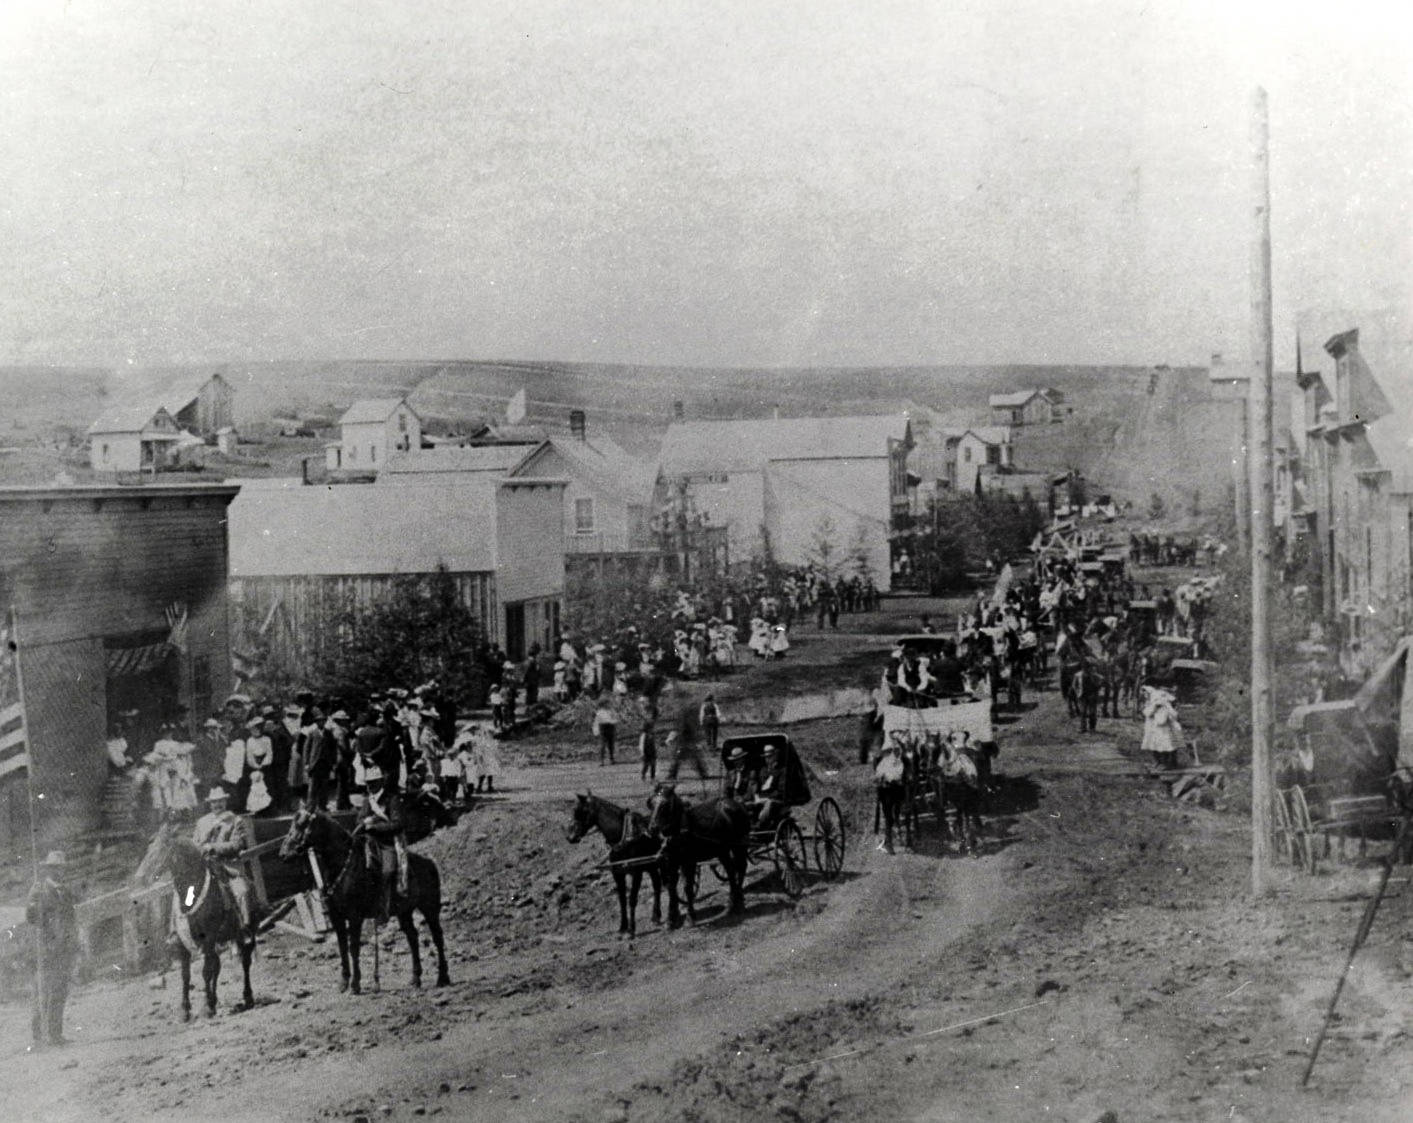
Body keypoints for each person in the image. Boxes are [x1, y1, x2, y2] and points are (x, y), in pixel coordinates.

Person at [26, 850, 77, 1048]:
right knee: (43, 991)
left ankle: (56, 1034)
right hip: (45, 950)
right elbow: (31, 918)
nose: (60, 872)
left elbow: (70, 919)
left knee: (60, 991)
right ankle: (39, 1035)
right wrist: (34, 906)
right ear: (49, 870)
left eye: (62, 868)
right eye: (56, 868)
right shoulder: (39, 890)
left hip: (63, 948)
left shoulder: (64, 891)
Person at [192, 786, 256, 932]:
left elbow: (237, 844)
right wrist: (200, 849)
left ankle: (244, 927)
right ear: (210, 804)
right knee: (186, 892)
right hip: (205, 867)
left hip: (228, 867)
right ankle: (179, 930)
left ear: (225, 802)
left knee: (242, 891)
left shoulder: (235, 821)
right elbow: (195, 843)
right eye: (214, 802)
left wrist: (213, 847)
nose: (217, 805)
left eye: (220, 801)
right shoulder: (202, 822)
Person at [353, 768, 407, 917]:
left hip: (387, 842)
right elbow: (358, 819)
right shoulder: (367, 800)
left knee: (388, 871)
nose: (370, 786)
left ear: (381, 782)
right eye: (369, 783)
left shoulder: (392, 799)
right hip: (369, 841)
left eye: (373, 783)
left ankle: (386, 909)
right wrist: (365, 821)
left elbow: (397, 824)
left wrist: (374, 827)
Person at [593, 698, 618, 766]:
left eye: (609, 703)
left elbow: (615, 719)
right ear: (603, 704)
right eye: (607, 703)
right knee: (602, 745)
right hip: (603, 729)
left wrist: (614, 725)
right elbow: (596, 722)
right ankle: (601, 760)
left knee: (611, 745)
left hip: (610, 728)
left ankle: (612, 759)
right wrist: (596, 731)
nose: (609, 705)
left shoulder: (612, 711)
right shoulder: (600, 712)